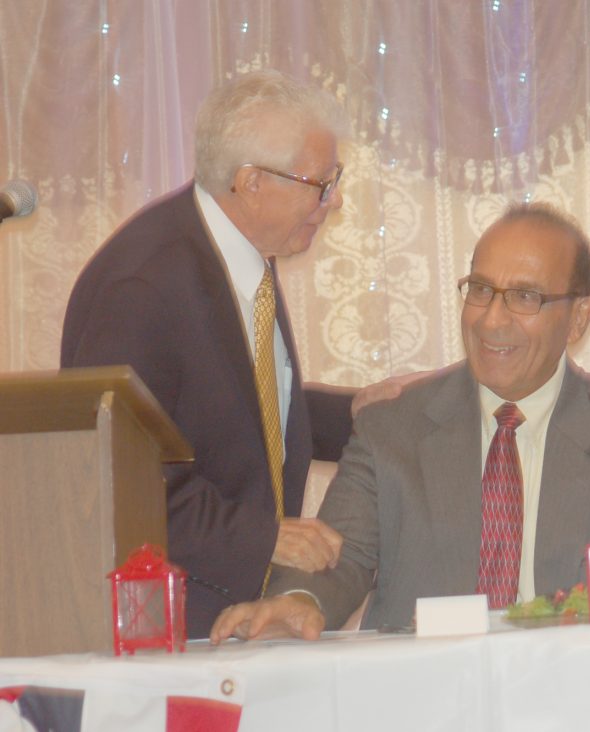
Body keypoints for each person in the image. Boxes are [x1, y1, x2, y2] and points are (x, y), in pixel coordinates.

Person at [210, 203, 590, 641]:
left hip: (574, 702)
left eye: (525, 297)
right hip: (425, 701)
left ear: (579, 318)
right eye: (481, 289)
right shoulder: (392, 427)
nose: (491, 318)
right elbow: (339, 556)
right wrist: (298, 602)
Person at [60, 70, 416, 637]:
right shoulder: (142, 288)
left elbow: (236, 411)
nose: (334, 200)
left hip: (229, 615)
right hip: (165, 628)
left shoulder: (239, 250)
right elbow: (119, 481)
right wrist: (264, 537)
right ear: (251, 182)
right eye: (321, 183)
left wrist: (353, 413)